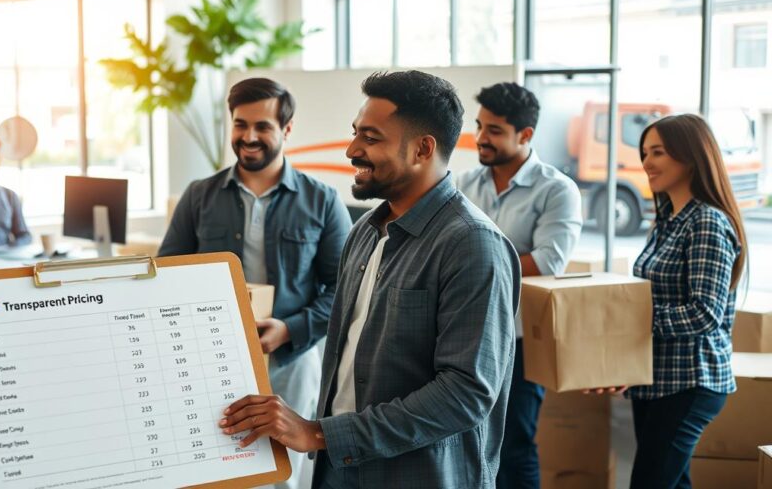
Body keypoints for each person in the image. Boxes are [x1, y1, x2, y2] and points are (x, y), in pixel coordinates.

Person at [220, 70, 520, 488]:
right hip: (340, 468)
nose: (351, 149)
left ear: (422, 148)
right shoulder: (365, 231)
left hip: (417, 477)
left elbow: (465, 393)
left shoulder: (472, 244)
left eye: (371, 138)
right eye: (355, 133)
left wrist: (319, 432)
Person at [159, 77, 351, 489]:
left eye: (262, 126)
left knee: (283, 473)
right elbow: (166, 274)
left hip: (290, 360)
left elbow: (345, 291)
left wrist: (290, 329)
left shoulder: (323, 200)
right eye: (240, 124)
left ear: (286, 129)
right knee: (218, 466)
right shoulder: (199, 196)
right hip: (210, 358)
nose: (249, 137)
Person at [456, 82, 583, 489]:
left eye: (494, 130)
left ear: (525, 135)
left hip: (518, 341)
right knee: (464, 440)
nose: (480, 138)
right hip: (462, 334)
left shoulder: (556, 190)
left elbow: (547, 262)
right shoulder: (465, 183)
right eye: (479, 126)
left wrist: (474, 263)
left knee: (513, 442)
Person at [610, 113, 746, 488]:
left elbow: (704, 314)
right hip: (655, 380)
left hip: (690, 382)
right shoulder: (668, 219)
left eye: (658, 152)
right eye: (645, 152)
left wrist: (631, 318)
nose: (646, 162)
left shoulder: (706, 222)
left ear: (690, 156)